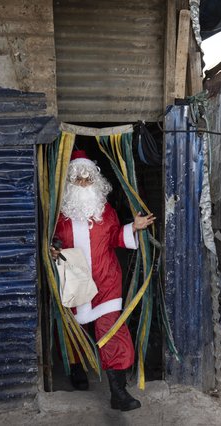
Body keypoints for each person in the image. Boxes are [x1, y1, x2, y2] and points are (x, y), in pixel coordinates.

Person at [50, 150, 155, 412]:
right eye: (78, 180)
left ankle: (118, 393)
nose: (84, 184)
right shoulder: (59, 214)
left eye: (88, 179)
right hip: (74, 282)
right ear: (70, 183)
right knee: (73, 329)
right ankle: (77, 370)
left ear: (96, 182)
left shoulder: (105, 211)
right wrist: (52, 249)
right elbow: (50, 241)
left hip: (106, 281)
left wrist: (134, 227)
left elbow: (116, 238)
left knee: (111, 330)